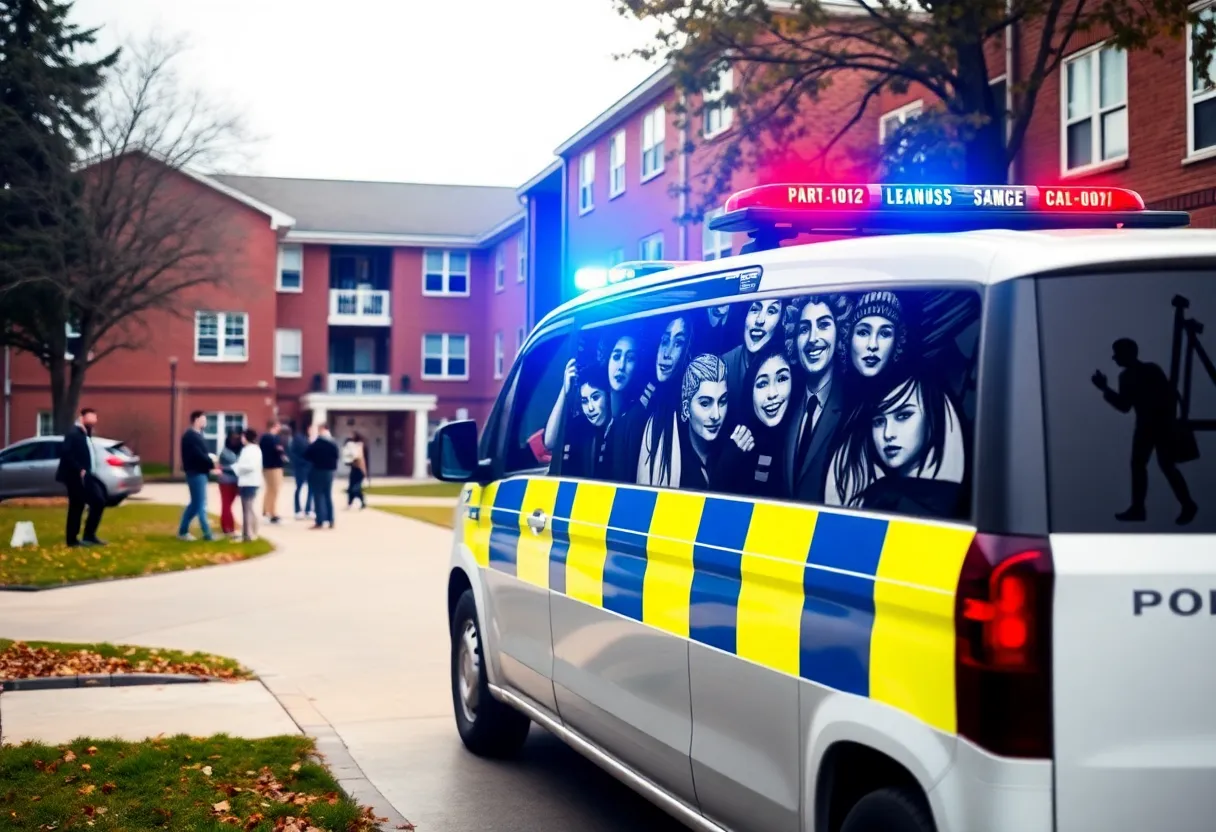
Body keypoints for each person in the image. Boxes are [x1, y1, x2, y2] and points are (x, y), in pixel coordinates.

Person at [824, 368, 967, 517]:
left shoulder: (955, 501)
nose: (888, 434)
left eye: (904, 415)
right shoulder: (875, 495)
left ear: (931, 417)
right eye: (879, 421)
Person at [1092, 337, 1199, 525]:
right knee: (1144, 465)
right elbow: (1125, 406)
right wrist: (1105, 389)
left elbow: (1168, 397)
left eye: (1117, 354)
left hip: (1158, 425)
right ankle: (1139, 507)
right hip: (1147, 426)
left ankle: (1184, 505)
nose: (1114, 358)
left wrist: (1168, 422)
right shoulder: (1126, 377)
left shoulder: (1150, 370)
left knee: (1162, 465)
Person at [785, 294, 852, 501]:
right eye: (804, 329)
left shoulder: (853, 408)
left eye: (823, 325)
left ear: (839, 333)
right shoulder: (783, 405)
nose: (813, 338)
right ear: (794, 340)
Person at [715, 343, 795, 498]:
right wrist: (730, 460)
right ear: (749, 392)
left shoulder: (801, 439)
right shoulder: (737, 443)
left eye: (782, 378)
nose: (772, 393)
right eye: (762, 383)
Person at [676, 353, 729, 489]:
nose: (716, 415)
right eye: (705, 403)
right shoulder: (674, 460)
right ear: (686, 408)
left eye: (722, 401)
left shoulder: (730, 450)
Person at [55, 407, 106, 547]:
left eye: (95, 417)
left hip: (87, 475)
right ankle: (72, 540)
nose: (94, 420)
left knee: (98, 501)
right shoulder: (73, 433)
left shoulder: (86, 434)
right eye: (91, 416)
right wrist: (79, 469)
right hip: (75, 476)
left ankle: (89, 535)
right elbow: (66, 453)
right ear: (82, 417)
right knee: (77, 506)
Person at [178, 410, 215, 541]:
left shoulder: (198, 435)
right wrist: (212, 463)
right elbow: (198, 455)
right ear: (196, 420)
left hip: (201, 472)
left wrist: (210, 462)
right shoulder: (190, 436)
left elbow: (202, 454)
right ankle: (207, 533)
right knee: (200, 504)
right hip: (195, 473)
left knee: (194, 504)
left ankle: (182, 531)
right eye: (203, 419)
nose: (205, 422)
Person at [305, 423, 339, 529]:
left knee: (318, 496)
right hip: (329, 471)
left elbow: (307, 455)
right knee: (328, 495)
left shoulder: (317, 443)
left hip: (318, 470)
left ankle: (320, 520)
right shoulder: (333, 442)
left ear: (321, 429)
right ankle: (331, 519)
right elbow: (337, 456)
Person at [233, 428, 264, 541]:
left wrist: (237, 467)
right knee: (248, 508)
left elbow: (251, 466)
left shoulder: (252, 450)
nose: (241, 439)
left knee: (247, 508)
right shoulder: (248, 449)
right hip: (247, 482)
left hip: (249, 482)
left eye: (242, 436)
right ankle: (250, 532)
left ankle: (248, 534)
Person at [216, 429, 243, 539]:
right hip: (226, 481)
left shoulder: (241, 450)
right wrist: (233, 468)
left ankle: (227, 525)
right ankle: (228, 527)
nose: (235, 439)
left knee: (228, 505)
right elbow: (223, 467)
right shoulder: (226, 452)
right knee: (226, 505)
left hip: (236, 481)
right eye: (233, 437)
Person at [259, 420, 286, 524]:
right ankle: (272, 513)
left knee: (270, 489)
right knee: (274, 489)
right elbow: (276, 449)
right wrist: (280, 451)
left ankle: (266, 511)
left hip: (272, 466)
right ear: (274, 426)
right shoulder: (268, 438)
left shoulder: (272, 438)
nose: (279, 428)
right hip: (272, 467)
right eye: (278, 426)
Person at [289, 423, 314, 520]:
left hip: (310, 467)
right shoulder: (299, 439)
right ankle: (298, 510)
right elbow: (294, 453)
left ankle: (308, 509)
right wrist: (301, 463)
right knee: (300, 488)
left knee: (310, 489)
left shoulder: (309, 439)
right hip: (301, 467)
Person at [343, 432, 368, 509]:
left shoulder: (359, 446)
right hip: (354, 469)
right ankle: (350, 503)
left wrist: (364, 471)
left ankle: (362, 500)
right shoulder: (352, 446)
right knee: (350, 488)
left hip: (359, 470)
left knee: (355, 488)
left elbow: (361, 460)